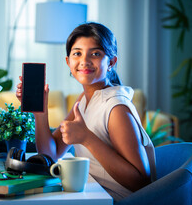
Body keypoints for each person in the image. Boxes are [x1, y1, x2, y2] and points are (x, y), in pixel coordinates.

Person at [16, 22, 156, 201]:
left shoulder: (116, 108)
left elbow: (140, 182)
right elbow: (50, 154)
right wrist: (40, 112)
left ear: (111, 62)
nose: (85, 61)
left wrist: (87, 138)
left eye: (95, 53)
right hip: (90, 193)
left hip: (113, 200)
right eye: (77, 53)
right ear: (68, 61)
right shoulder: (84, 100)